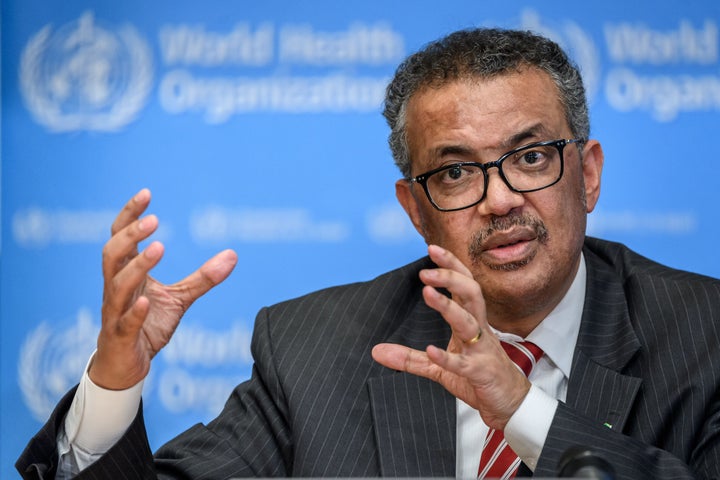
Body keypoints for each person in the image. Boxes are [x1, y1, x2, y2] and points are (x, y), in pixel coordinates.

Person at [16, 27, 720, 480]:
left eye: (531, 158)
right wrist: (113, 381)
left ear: (588, 174)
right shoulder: (315, 349)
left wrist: (520, 409)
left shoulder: (704, 337)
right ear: (415, 211)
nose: (500, 199)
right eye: (454, 172)